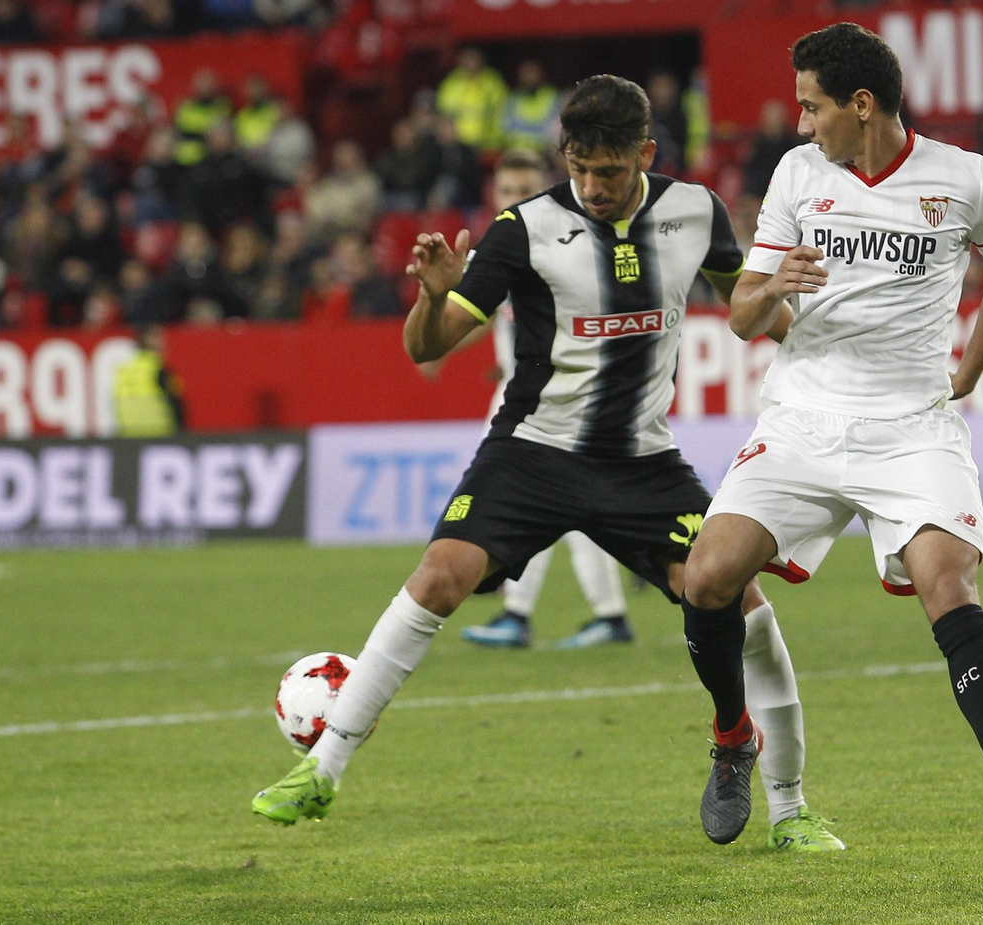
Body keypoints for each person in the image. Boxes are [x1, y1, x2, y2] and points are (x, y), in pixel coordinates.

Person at [252, 75, 844, 853]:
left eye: (610, 171)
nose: (592, 187)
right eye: (579, 169)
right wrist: (431, 298)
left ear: (646, 154)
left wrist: (805, 328)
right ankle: (322, 770)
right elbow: (428, 347)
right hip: (531, 453)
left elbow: (749, 311)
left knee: (741, 603)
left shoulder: (694, 211)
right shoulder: (521, 229)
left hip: (641, 461)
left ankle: (790, 808)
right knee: (438, 575)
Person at [683, 22, 983, 864]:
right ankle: (733, 734)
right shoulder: (798, 174)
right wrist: (771, 287)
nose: (800, 122)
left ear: (861, 105)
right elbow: (742, 315)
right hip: (804, 416)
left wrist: (970, 367)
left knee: (948, 582)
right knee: (706, 575)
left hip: (909, 428)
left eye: (811, 105)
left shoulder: (965, 179)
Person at [454, 151, 635, 651]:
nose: (516, 200)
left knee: (531, 504)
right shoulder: (500, 245)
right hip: (518, 395)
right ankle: (602, 610)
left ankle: (526, 611)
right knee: (561, 510)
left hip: (560, 398)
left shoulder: (572, 243)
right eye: (507, 191)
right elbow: (484, 310)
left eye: (526, 190)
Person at [113, 325, 184, 436]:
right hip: (158, 431)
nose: (162, 341)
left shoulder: (124, 369)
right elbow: (175, 401)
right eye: (157, 337)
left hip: (129, 433)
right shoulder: (157, 367)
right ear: (147, 339)